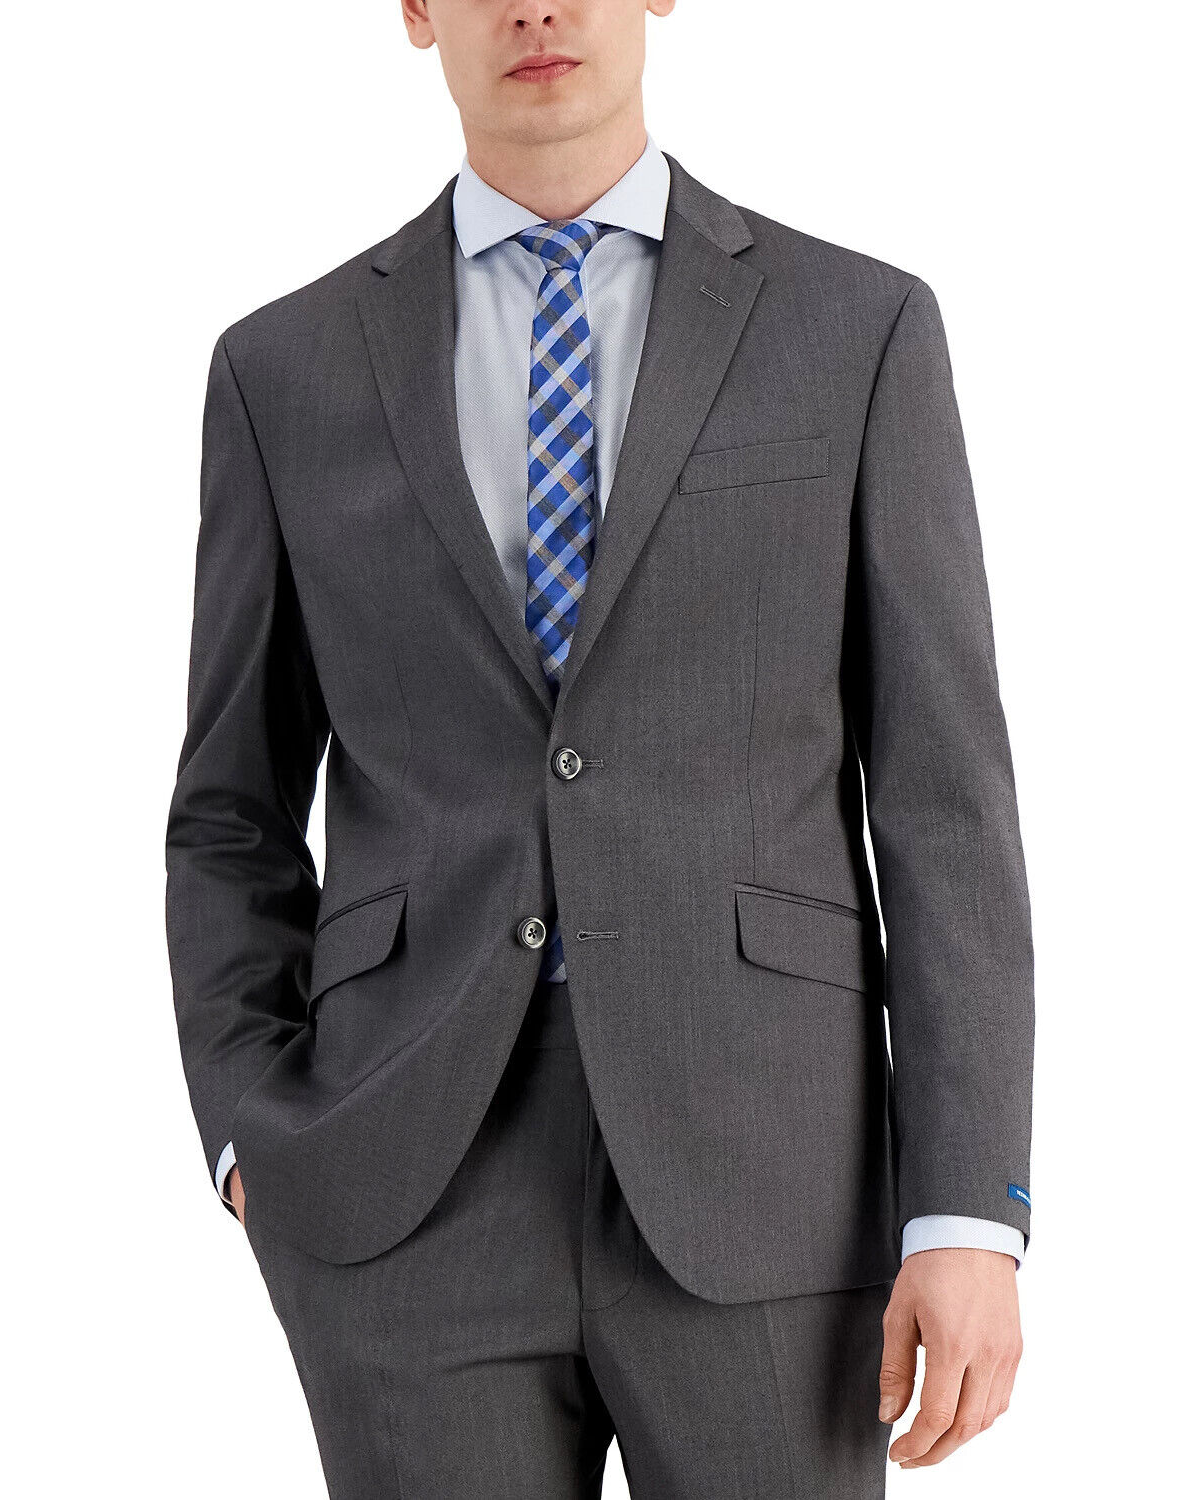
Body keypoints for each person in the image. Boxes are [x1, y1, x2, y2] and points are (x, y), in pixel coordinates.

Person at [166, 2, 1034, 1494]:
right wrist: (253, 1133)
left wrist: (965, 1210)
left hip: (769, 1167)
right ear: (416, 11)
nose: (535, 7)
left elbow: (943, 795)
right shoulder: (283, 367)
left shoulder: (855, 327)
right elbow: (229, 810)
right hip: (405, 1181)